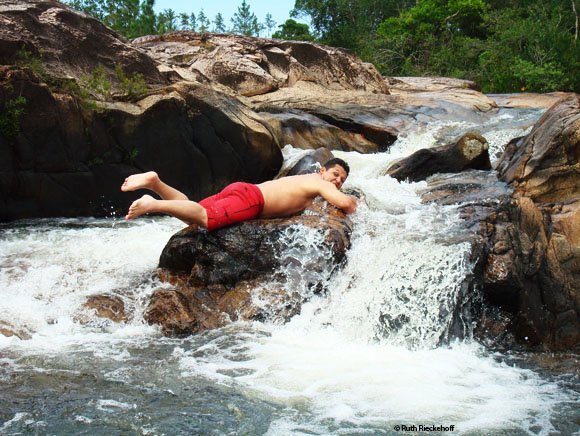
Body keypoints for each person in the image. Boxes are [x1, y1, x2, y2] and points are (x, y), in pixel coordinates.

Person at [121, 158, 357, 231]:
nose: (337, 181)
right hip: (252, 201)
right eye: (335, 174)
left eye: (342, 180)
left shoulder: (304, 179)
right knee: (204, 217)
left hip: (243, 191)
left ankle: (155, 183)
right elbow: (345, 203)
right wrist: (357, 202)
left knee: (191, 212)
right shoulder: (320, 183)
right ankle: (152, 204)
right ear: (322, 170)